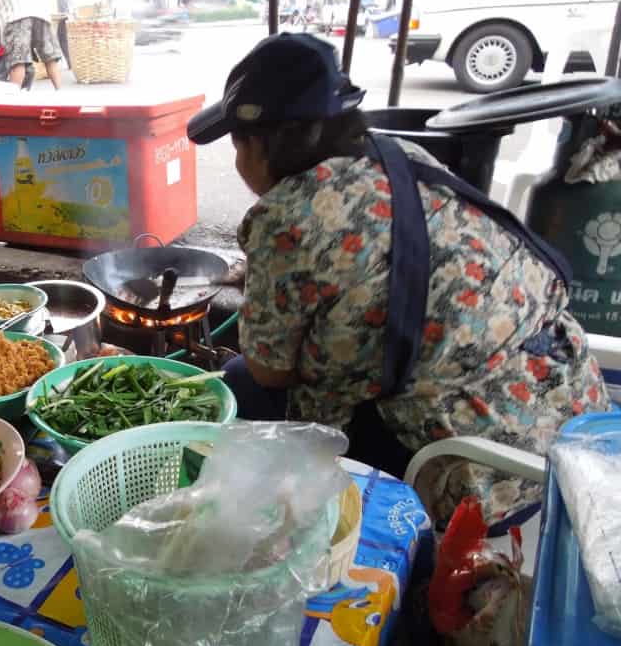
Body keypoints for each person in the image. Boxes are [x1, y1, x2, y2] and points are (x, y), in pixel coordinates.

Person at [187, 33, 608, 526]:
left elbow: (268, 371)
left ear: (259, 146)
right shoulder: (401, 155)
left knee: (241, 386)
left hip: (476, 478)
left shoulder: (286, 218)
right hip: (567, 433)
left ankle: (310, 523)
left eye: (238, 144)